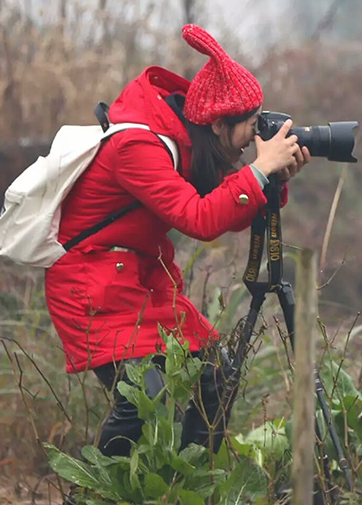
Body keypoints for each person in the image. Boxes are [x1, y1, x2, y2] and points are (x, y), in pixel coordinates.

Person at [44, 24, 310, 460]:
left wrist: (272, 181)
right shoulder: (138, 145)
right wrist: (258, 172)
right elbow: (199, 219)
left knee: (216, 381)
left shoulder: (191, 142)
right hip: (91, 285)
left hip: (140, 282)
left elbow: (224, 208)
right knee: (143, 403)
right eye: (251, 125)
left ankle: (188, 489)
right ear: (220, 123)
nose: (257, 136)